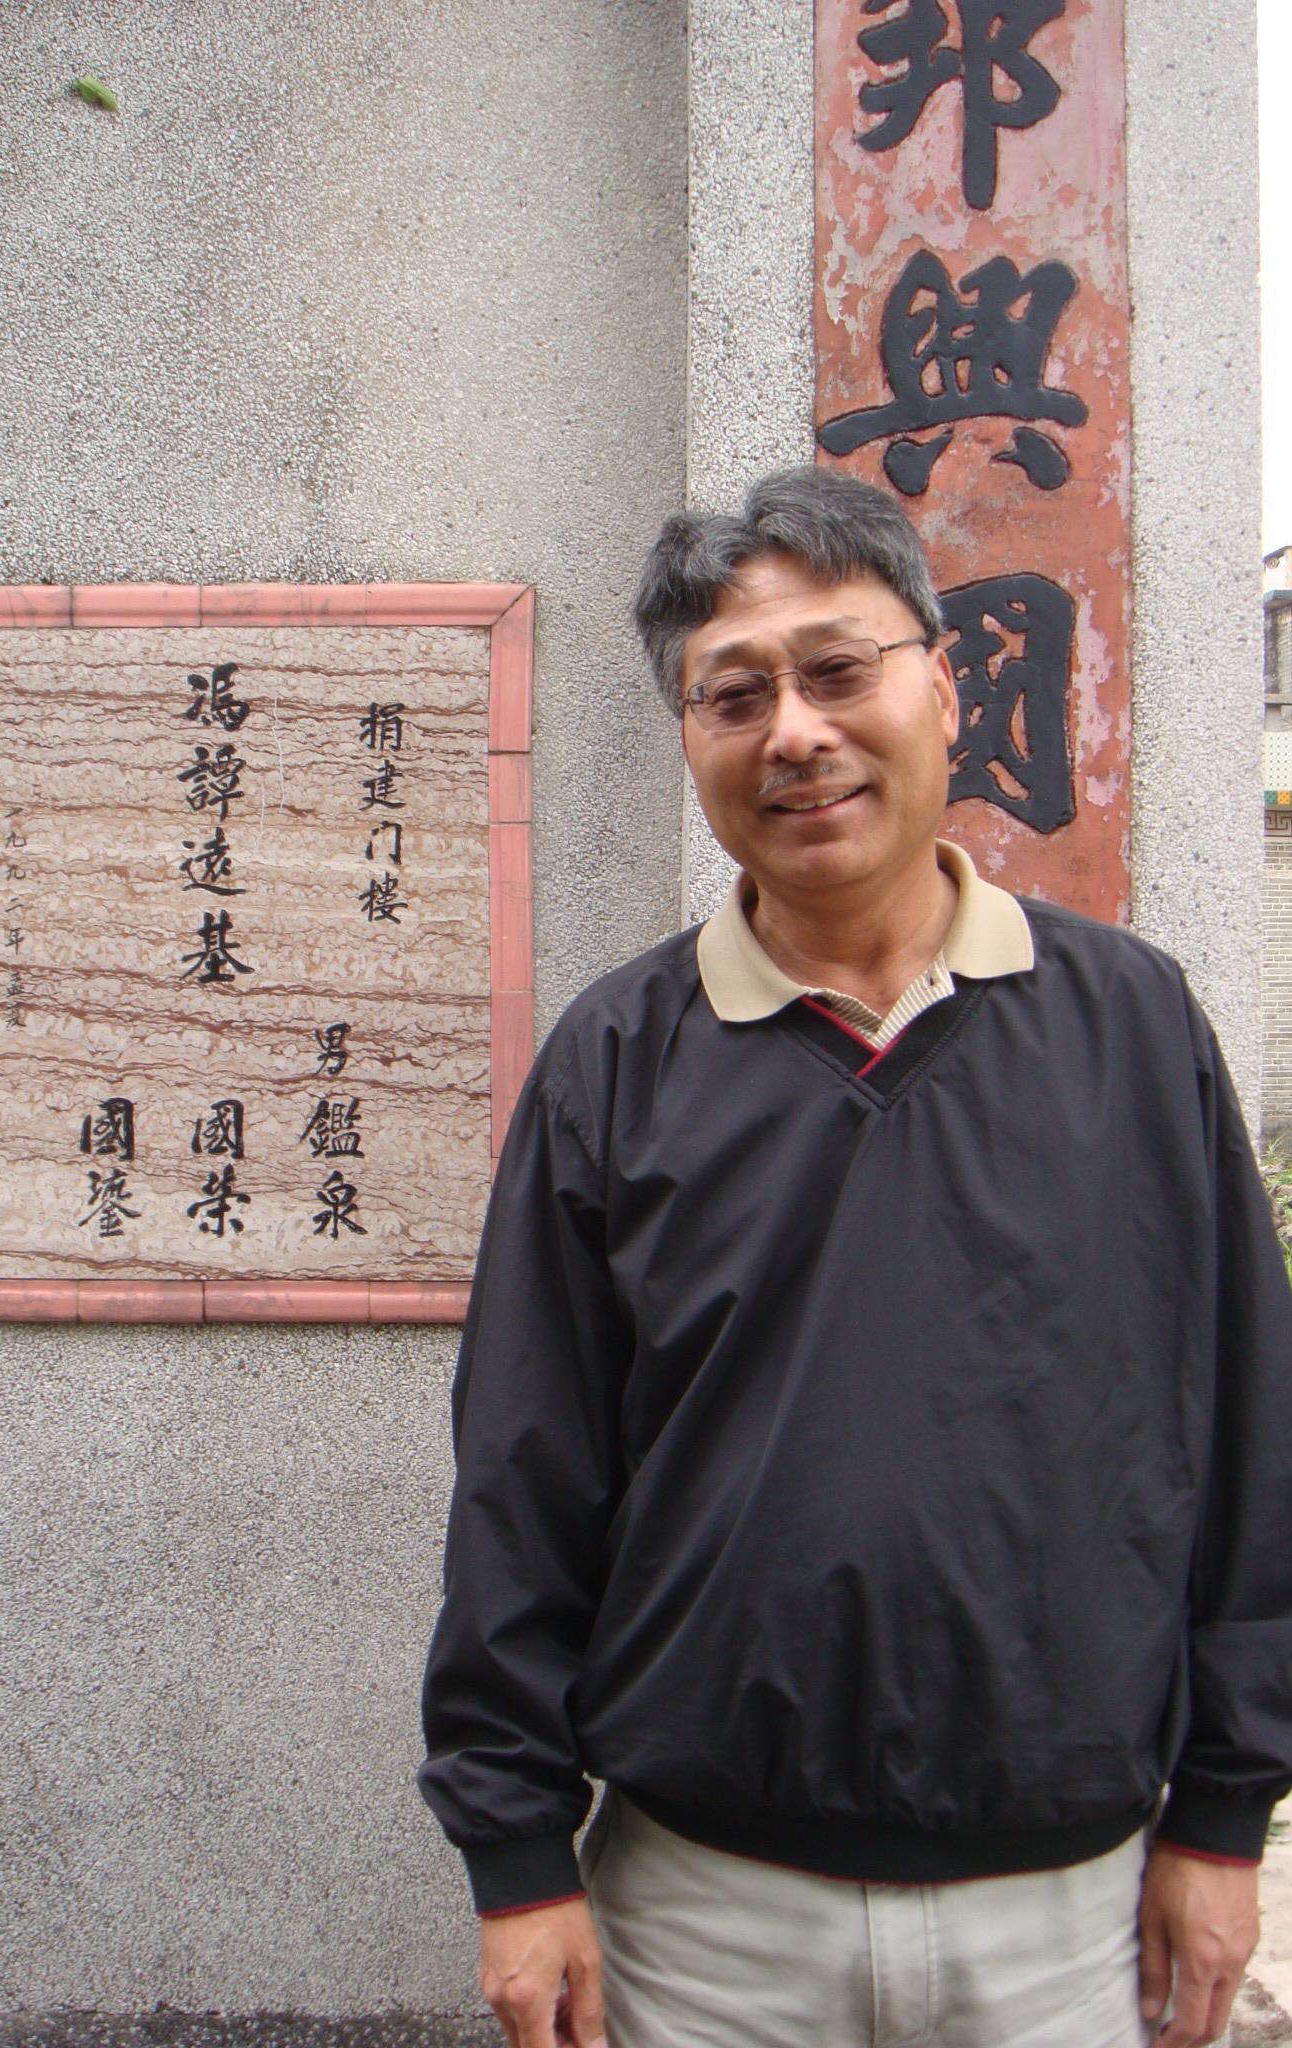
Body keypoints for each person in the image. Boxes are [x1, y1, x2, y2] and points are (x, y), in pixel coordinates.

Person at [419, 468, 1292, 2048]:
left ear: (944, 683)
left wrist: (1227, 1815)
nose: (795, 733)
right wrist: (515, 1855)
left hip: (1069, 1918)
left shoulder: (1130, 1025)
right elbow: (523, 1483)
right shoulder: (617, 1061)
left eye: (838, 670)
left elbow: (1247, 1441)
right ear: (691, 740)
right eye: (733, 694)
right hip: (701, 1922)